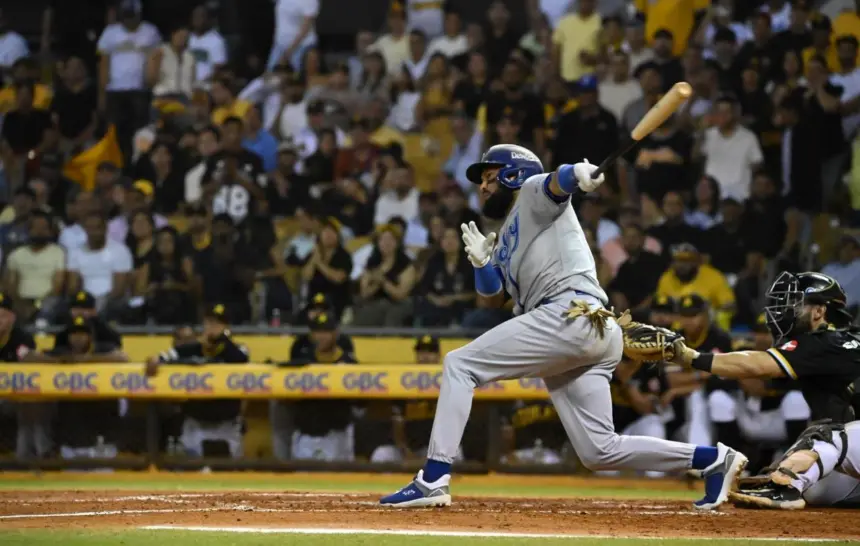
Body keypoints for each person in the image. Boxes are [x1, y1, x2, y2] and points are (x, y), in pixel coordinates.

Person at [379, 144, 747, 509]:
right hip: (590, 329)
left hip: (567, 314)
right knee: (599, 450)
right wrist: (481, 264)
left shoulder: (530, 193)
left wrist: (577, 173)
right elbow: (492, 299)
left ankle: (433, 478)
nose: (483, 187)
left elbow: (557, 183)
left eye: (490, 177)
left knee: (460, 365)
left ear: (513, 175)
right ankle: (713, 460)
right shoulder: (507, 236)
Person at [661, 271, 860, 510]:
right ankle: (788, 480)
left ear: (819, 311)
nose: (783, 312)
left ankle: (785, 486)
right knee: (814, 488)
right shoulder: (826, 347)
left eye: (795, 304)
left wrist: (688, 356)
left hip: (850, 440)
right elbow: (760, 377)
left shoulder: (828, 341)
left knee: (825, 435)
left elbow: (756, 364)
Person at [145, 304, 249, 458]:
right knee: (192, 465)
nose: (213, 328)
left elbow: (241, 359)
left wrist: (221, 340)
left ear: (227, 327)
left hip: (226, 424)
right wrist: (154, 360)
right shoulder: (192, 348)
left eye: (218, 323)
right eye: (210, 322)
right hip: (196, 422)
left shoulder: (238, 350)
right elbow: (163, 356)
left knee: (228, 467)